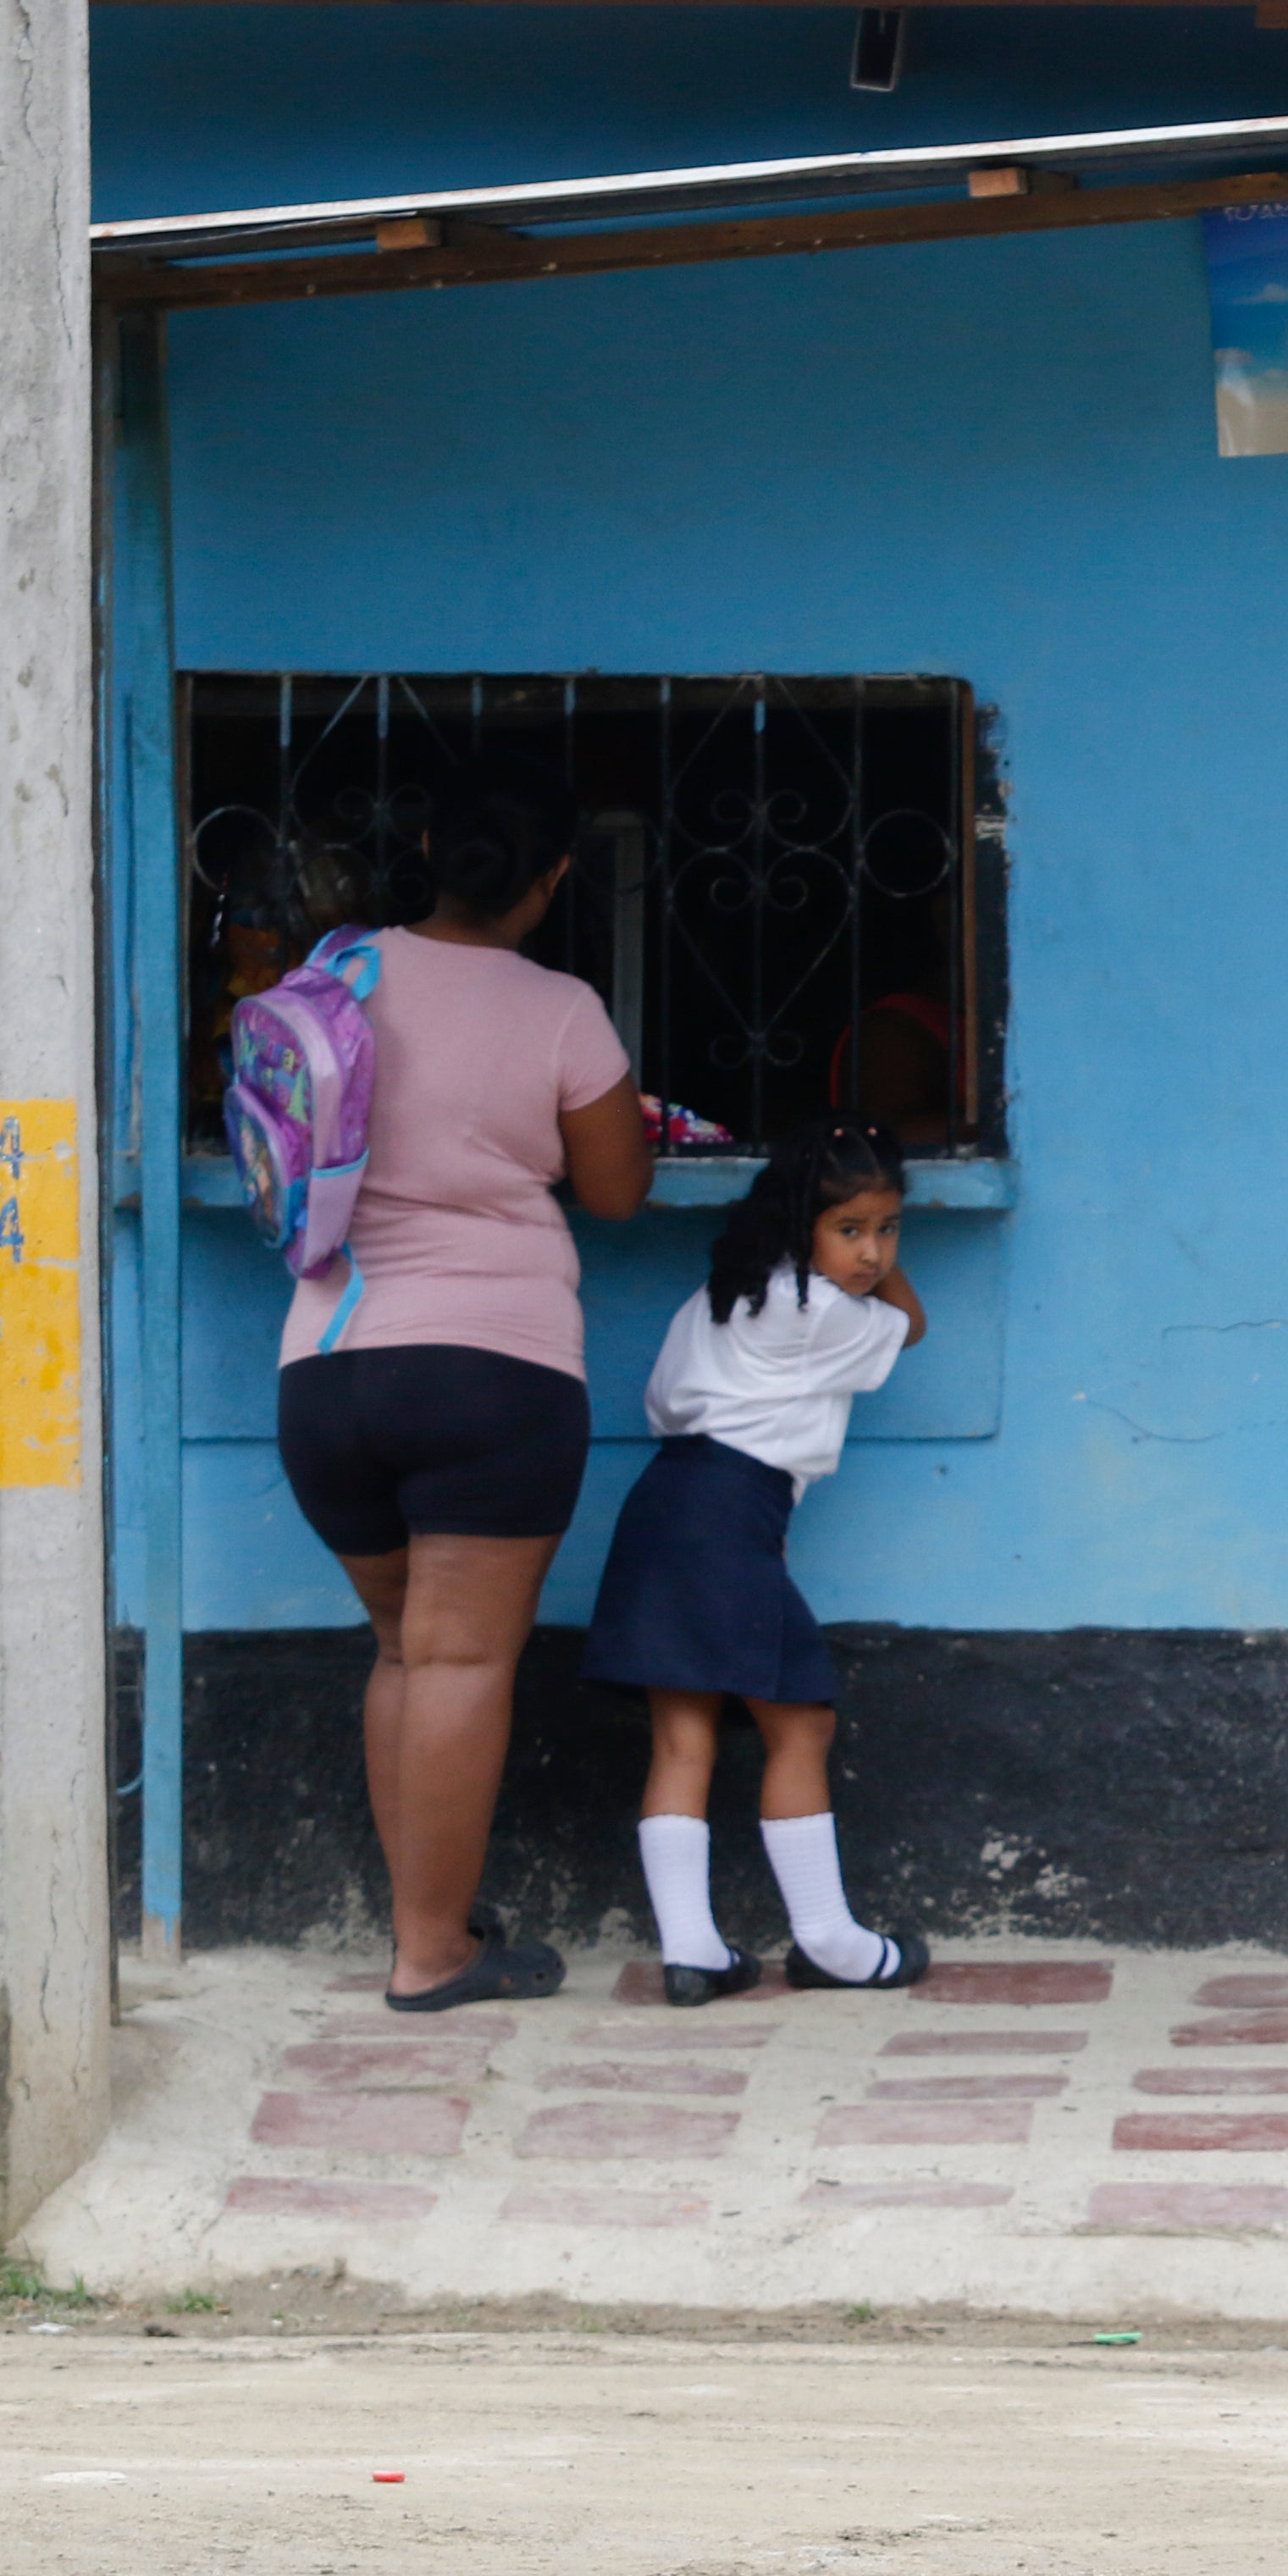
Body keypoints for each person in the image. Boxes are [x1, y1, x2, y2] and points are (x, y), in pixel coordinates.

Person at [272, 755, 651, 2014]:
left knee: (401, 1651)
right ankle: (433, 1954)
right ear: (551, 880)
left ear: (429, 845)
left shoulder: (337, 976)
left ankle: (423, 1924)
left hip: (326, 1368)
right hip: (492, 1368)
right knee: (461, 1662)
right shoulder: (562, 1010)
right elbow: (615, 1191)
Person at [582, 1121, 933, 2006]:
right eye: (849, 1229)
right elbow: (912, 1326)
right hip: (728, 1516)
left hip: (664, 1503)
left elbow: (663, 1402)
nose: (871, 1252)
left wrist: (829, 1232)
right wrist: (879, 1270)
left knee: (683, 1730)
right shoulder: (817, 1311)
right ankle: (829, 1941)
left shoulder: (717, 1298)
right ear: (797, 1224)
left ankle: (693, 1952)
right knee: (801, 1723)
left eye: (888, 1230)